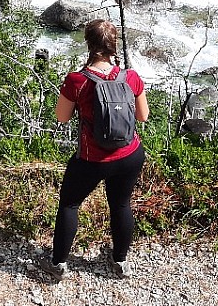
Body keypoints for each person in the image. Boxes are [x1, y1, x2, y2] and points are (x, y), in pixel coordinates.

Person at [38, 19, 150, 280]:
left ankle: (57, 265)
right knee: (121, 205)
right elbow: (143, 116)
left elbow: (62, 117)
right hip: (130, 154)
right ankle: (120, 262)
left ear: (88, 44)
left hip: (92, 158)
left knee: (69, 205)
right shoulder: (130, 77)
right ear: (114, 45)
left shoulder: (77, 80)